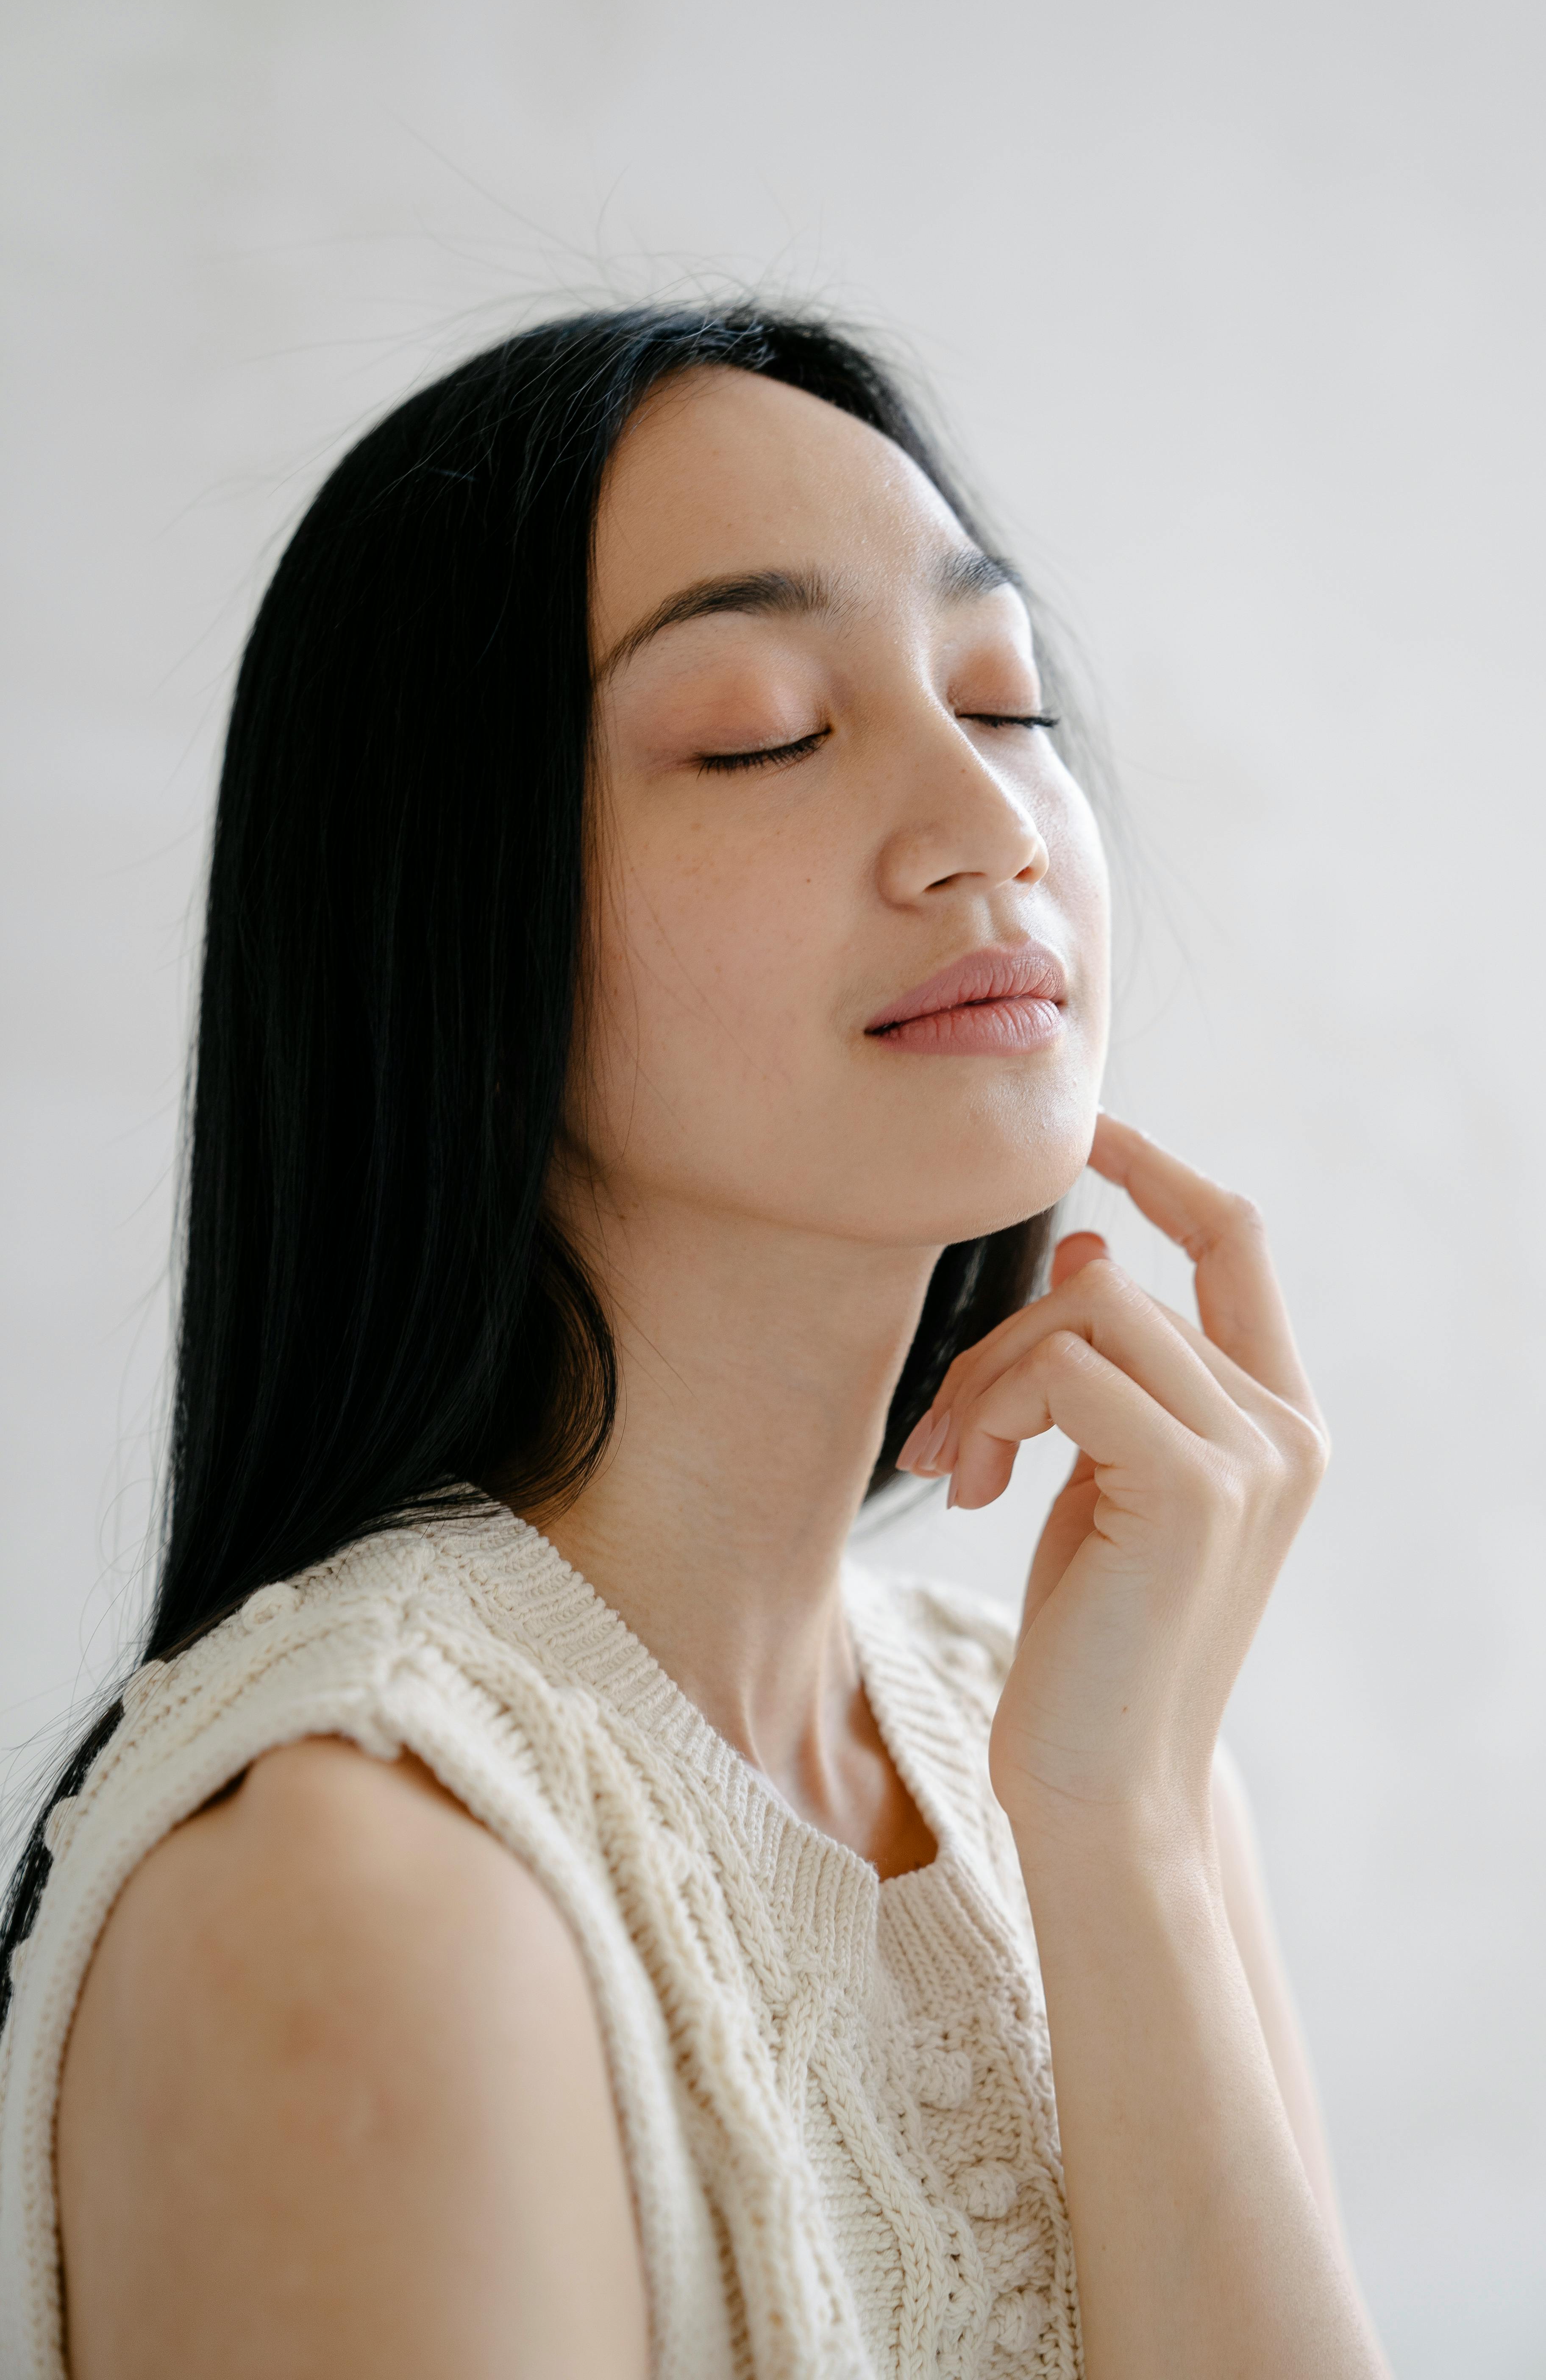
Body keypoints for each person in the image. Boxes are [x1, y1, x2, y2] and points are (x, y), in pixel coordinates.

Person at [0, 305, 1390, 2379]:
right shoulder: (365, 1889)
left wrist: (1122, 1843)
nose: (989, 822)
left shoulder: (1080, 1758)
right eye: (759, 729)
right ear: (446, 918)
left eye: (1006, 704)